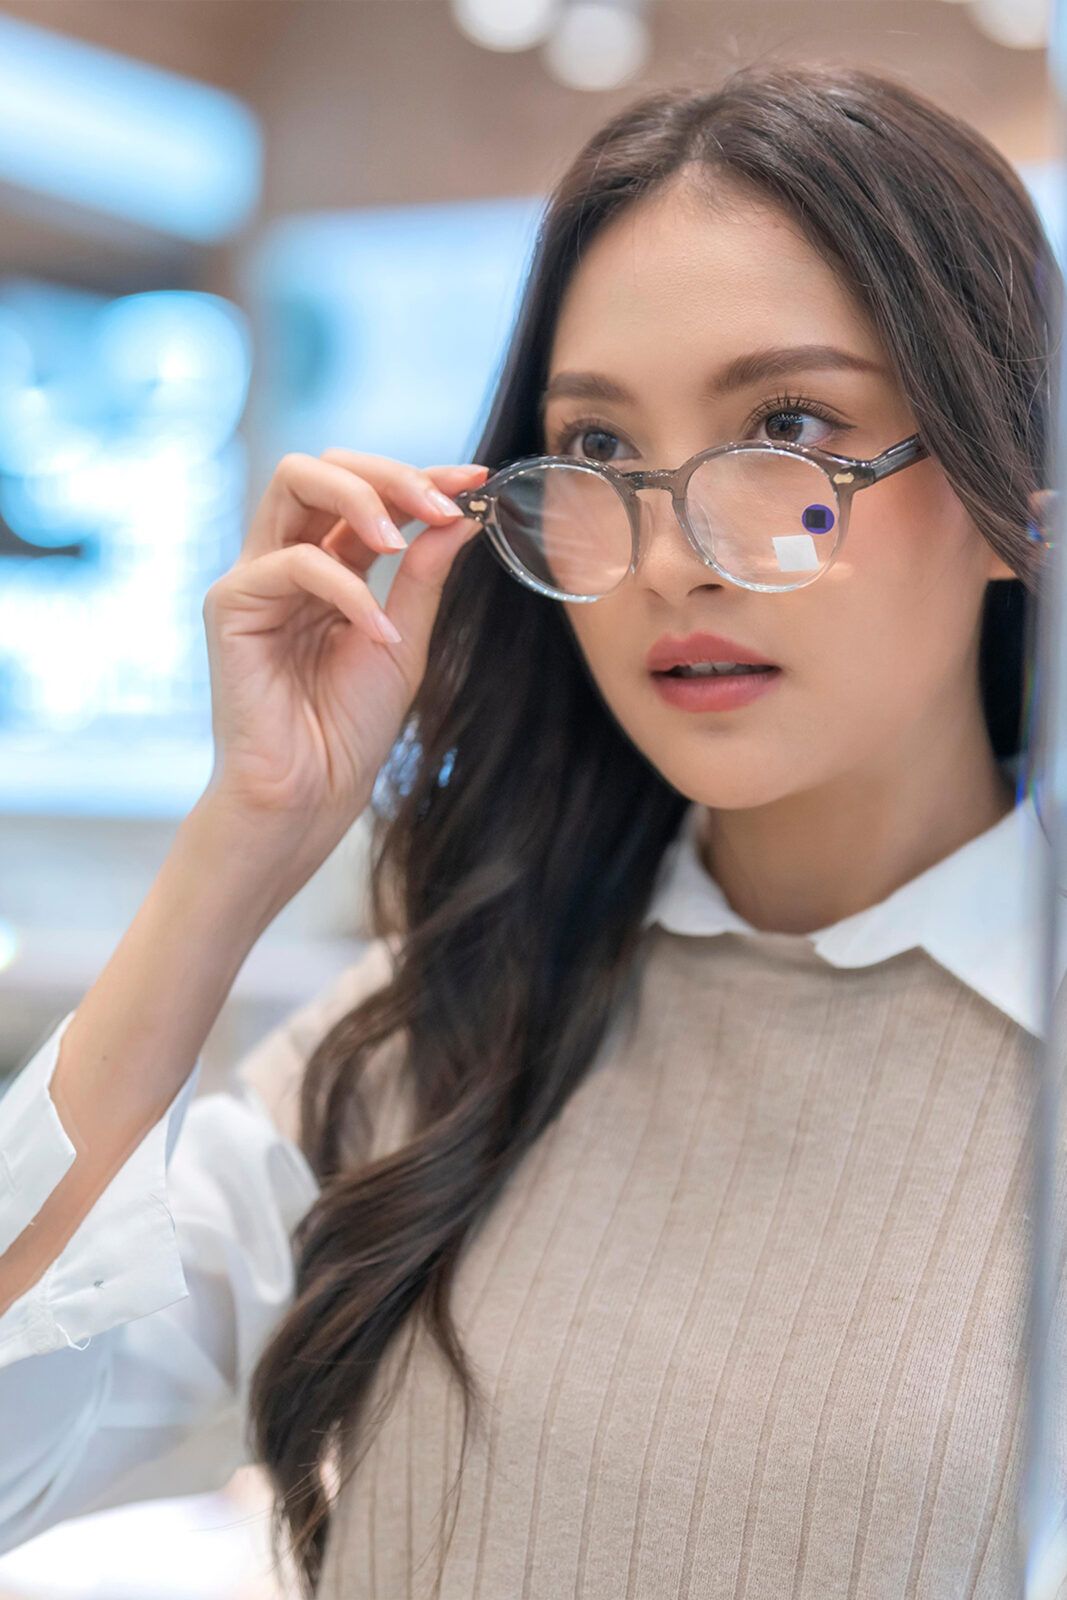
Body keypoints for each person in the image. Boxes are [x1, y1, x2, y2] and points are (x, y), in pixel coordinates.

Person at [0, 57, 1061, 1600]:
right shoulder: (429, 1044)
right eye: (605, 454)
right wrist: (242, 844)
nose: (670, 559)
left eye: (786, 422)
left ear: (1009, 495)